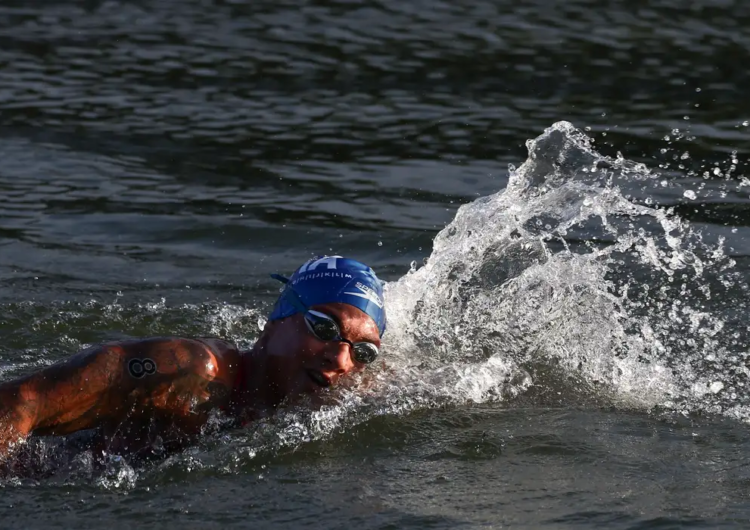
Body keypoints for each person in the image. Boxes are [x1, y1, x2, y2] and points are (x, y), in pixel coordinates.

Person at [0, 256, 386, 459]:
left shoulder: (335, 403)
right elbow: (21, 402)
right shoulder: (192, 370)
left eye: (363, 351)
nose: (341, 359)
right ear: (276, 321)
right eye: (324, 328)